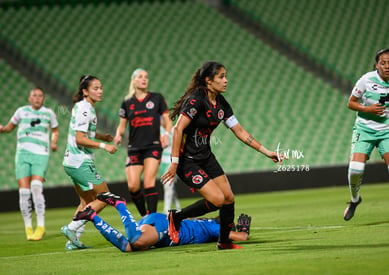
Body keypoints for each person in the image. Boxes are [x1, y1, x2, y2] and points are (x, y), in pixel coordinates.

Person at [161, 61, 285, 249]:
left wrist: (267, 152)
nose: (226, 80)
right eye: (221, 77)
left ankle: (224, 241)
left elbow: (240, 132)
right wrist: (175, 163)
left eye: (226, 76)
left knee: (228, 198)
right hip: (187, 161)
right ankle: (176, 217)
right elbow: (177, 129)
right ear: (208, 81)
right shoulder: (196, 99)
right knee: (217, 200)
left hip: (206, 157)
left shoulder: (221, 104)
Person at [343, 48, 389, 224]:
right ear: (377, 65)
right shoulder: (366, 80)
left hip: (388, 131)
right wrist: (367, 109)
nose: (387, 66)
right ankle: (354, 200)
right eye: (383, 63)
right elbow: (350, 103)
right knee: (355, 170)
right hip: (364, 130)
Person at [73, 192, 251, 252]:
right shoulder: (213, 227)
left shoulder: (206, 224)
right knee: (136, 241)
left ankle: (92, 216)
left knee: (128, 247)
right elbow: (240, 237)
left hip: (160, 225)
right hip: (165, 226)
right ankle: (120, 204)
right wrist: (244, 231)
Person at [60, 75, 118, 250]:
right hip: (80, 161)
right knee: (104, 196)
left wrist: (102, 136)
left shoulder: (84, 107)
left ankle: (73, 241)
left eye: (100, 87)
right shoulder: (85, 109)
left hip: (71, 161)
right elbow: (79, 138)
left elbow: (84, 132)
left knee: (86, 202)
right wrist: (104, 145)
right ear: (85, 91)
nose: (100, 91)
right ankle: (71, 228)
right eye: (95, 88)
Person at [0, 87, 59, 241]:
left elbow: (55, 130)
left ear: (43, 99)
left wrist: (53, 142)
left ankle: (40, 226)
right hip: (22, 154)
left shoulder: (49, 113)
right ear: (29, 98)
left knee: (36, 187)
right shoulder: (21, 111)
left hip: (41, 154)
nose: (37, 98)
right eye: (34, 95)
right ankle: (28, 226)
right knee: (24, 192)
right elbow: (9, 128)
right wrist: (2, 129)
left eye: (40, 95)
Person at [114, 68, 172, 216]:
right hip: (134, 148)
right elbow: (122, 125)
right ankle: (145, 216)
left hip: (153, 146)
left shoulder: (157, 98)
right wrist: (118, 135)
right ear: (133, 80)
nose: (144, 79)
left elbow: (167, 120)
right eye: (140, 77)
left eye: (146, 77)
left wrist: (166, 134)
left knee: (148, 183)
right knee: (133, 186)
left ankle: (152, 220)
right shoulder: (127, 102)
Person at [159, 125, 181, 214]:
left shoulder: (173, 129)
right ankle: (178, 206)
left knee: (168, 185)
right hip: (161, 162)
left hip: (171, 161)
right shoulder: (157, 130)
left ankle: (166, 209)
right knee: (169, 186)